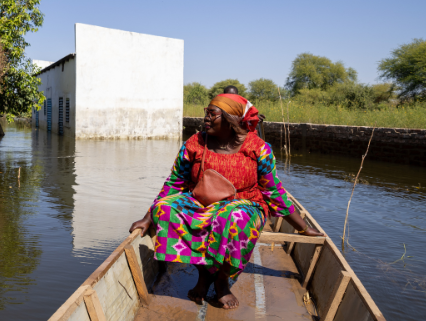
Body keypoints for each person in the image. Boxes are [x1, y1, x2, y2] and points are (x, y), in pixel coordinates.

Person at [129, 93, 323, 309]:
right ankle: (203, 274)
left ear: (231, 120)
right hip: (202, 201)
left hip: (245, 203)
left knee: (229, 217)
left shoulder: (257, 148)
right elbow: (175, 182)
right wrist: (148, 217)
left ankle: (221, 281)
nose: (206, 118)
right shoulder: (195, 143)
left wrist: (303, 228)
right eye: (206, 113)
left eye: (212, 114)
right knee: (165, 209)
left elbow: (273, 191)